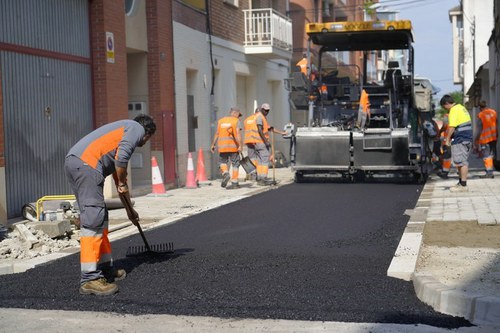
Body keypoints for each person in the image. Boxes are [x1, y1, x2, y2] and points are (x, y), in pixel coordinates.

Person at [64, 114, 156, 295]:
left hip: (77, 162)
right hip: (86, 164)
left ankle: (105, 268)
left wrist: (130, 210)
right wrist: (121, 183)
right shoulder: (135, 128)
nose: (144, 143)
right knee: (93, 218)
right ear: (146, 133)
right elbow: (122, 162)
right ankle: (90, 278)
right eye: (147, 139)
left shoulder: (119, 136)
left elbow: (120, 181)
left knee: (100, 217)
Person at [440, 95, 473, 192]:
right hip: (466, 138)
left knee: (462, 162)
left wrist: (447, 139)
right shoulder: (461, 107)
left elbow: (452, 127)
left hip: (461, 139)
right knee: (460, 161)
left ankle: (463, 185)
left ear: (446, 104)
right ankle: (461, 183)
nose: (445, 109)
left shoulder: (454, 110)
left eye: (444, 107)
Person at [210, 107, 242, 189]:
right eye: (239, 115)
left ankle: (225, 173)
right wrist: (240, 146)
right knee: (235, 164)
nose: (239, 117)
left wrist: (213, 144)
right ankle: (235, 183)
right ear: (235, 113)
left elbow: (217, 133)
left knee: (222, 162)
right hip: (233, 147)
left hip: (222, 146)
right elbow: (238, 134)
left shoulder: (221, 121)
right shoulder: (236, 121)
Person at [474, 101, 497, 178]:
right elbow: (497, 124)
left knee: (486, 156)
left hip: (485, 138)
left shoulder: (481, 115)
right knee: (491, 154)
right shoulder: (493, 112)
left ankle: (489, 172)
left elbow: (479, 129)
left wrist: (476, 139)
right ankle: (490, 171)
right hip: (494, 137)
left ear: (480, 108)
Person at [437, 113, 452, 178]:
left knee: (447, 157)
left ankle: (445, 172)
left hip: (448, 139)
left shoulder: (447, 116)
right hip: (456, 138)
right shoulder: (457, 115)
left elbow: (444, 126)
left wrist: (440, 132)